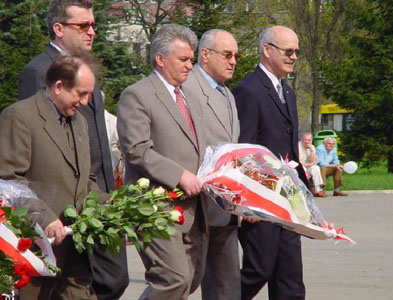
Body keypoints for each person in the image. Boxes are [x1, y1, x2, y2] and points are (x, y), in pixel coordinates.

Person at [17, 1, 129, 299]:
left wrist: (112, 197)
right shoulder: (38, 72)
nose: (92, 31)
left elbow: (96, 138)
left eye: (94, 25)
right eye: (83, 25)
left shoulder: (86, 71)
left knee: (112, 279)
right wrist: (44, 213)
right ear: (59, 28)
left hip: (92, 193)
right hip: (54, 211)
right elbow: (38, 142)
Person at [0, 55, 102, 300]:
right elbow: (9, 180)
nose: (86, 101)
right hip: (35, 247)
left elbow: (84, 177)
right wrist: (45, 217)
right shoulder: (20, 116)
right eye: (81, 93)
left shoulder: (79, 121)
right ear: (58, 87)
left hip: (74, 246)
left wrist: (111, 208)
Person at [117, 24, 207, 300]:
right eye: (183, 59)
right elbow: (137, 149)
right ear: (160, 59)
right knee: (172, 278)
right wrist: (179, 174)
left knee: (189, 281)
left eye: (192, 60)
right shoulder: (137, 95)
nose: (190, 66)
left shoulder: (190, 96)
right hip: (156, 206)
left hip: (195, 206)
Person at [233, 25, 308, 300]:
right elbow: (243, 150)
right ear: (267, 50)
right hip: (261, 199)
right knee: (258, 270)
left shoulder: (286, 92)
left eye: (296, 51)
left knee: (290, 277)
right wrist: (245, 200)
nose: (294, 57)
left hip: (288, 199)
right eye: (288, 51)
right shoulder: (248, 91)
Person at [182, 29, 241, 300]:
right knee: (182, 282)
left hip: (225, 205)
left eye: (236, 56)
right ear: (204, 55)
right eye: (227, 54)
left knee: (227, 286)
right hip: (197, 205)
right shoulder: (187, 87)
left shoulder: (227, 94)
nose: (233, 61)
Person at [299, 133, 326, 197]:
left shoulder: (312, 147)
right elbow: (299, 162)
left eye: (309, 140)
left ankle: (318, 190)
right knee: (303, 168)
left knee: (316, 168)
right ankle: (304, 190)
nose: (307, 142)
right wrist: (310, 164)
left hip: (307, 166)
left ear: (311, 141)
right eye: (305, 140)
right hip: (299, 167)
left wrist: (311, 151)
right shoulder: (298, 146)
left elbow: (314, 161)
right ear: (302, 140)